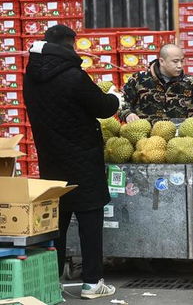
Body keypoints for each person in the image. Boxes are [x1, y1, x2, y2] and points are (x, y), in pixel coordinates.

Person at [23, 25, 118, 299]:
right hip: (83, 157)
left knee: (57, 221)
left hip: (51, 157)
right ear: (69, 45)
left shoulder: (30, 77)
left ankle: (53, 282)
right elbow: (104, 107)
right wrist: (115, 98)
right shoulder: (74, 76)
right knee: (90, 218)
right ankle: (92, 282)